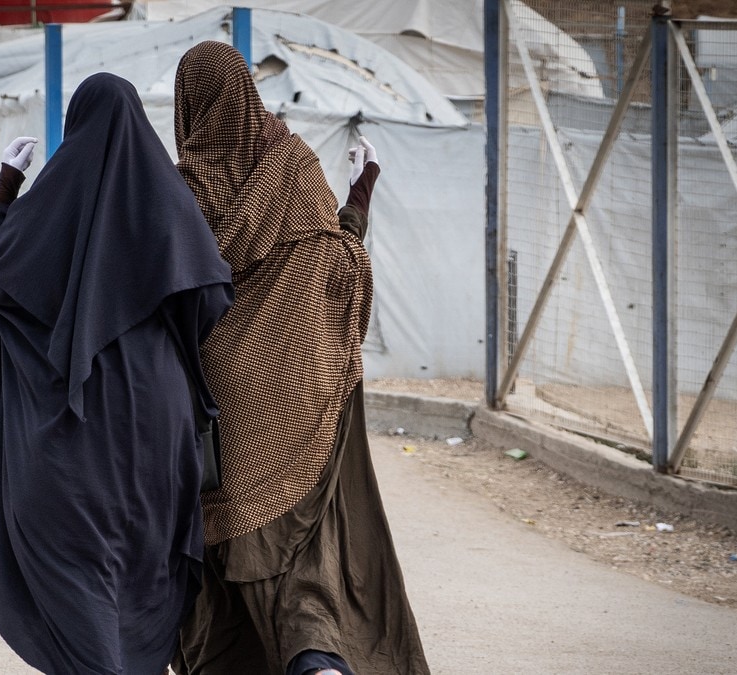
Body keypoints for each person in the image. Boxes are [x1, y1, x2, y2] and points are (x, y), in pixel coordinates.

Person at [0, 72, 234, 674]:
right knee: (143, 562)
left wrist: (5, 188)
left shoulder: (52, 199)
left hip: (72, 431)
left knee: (75, 565)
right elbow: (209, 303)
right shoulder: (169, 199)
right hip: (155, 420)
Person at [170, 41, 430, 675]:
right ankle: (316, 658)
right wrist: (359, 198)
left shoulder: (180, 192)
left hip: (221, 392)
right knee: (306, 541)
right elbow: (338, 264)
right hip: (305, 384)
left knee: (229, 535)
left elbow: (163, 298)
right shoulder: (293, 164)